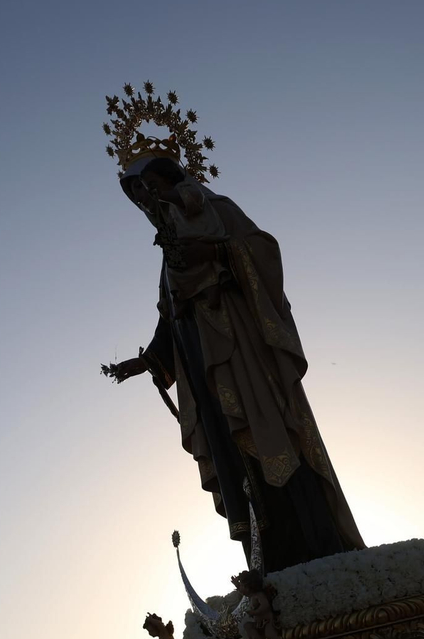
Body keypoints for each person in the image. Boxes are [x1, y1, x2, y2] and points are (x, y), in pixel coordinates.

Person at [103, 108, 364, 571]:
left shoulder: (216, 213)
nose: (148, 205)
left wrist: (218, 251)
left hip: (243, 355)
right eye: (141, 201)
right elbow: (171, 317)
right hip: (205, 369)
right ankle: (269, 563)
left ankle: (318, 550)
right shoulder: (168, 258)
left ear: (171, 181)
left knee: (271, 438)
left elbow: (263, 251)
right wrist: (150, 362)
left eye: (151, 191)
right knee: (233, 454)